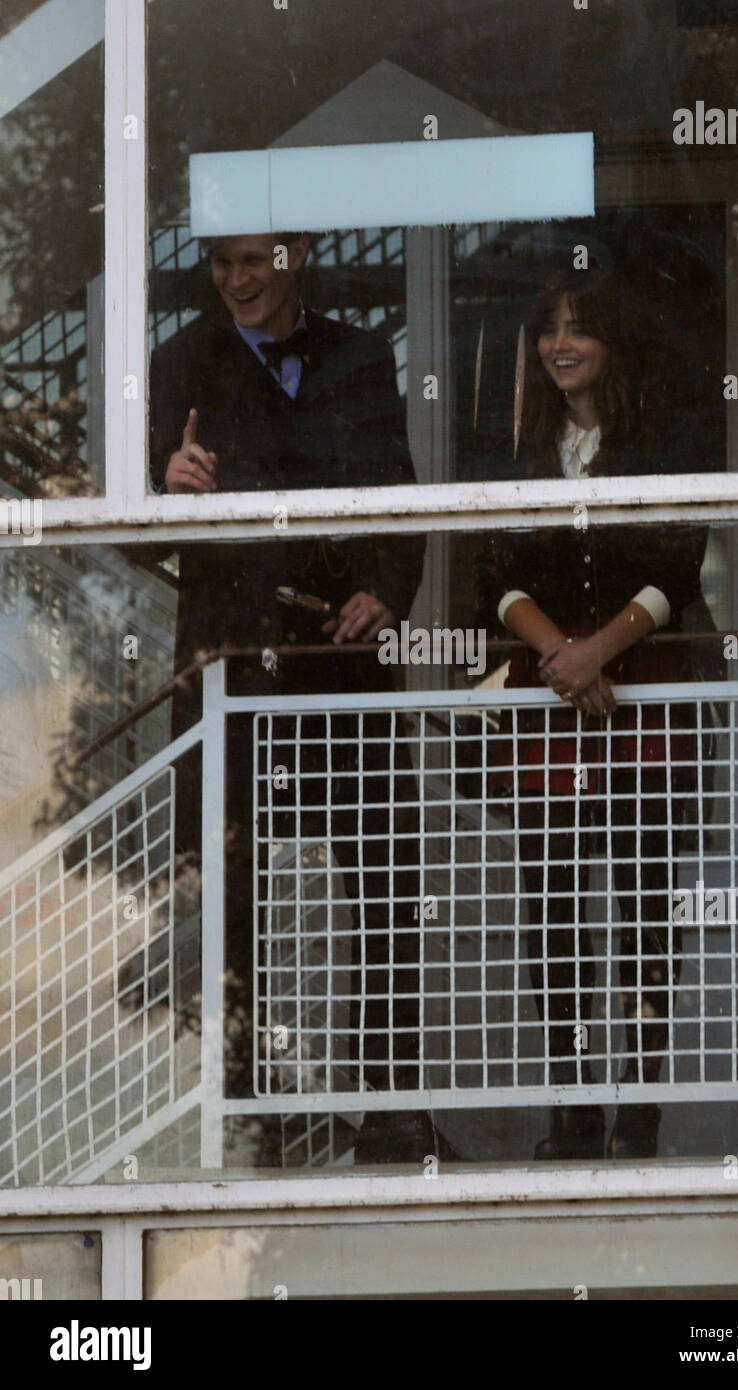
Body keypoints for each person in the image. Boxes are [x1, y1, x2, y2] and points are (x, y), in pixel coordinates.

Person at [149, 230, 445, 1165]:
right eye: (222, 263)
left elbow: (398, 497)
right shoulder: (178, 358)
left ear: (299, 254)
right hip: (234, 655)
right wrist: (166, 486)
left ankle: (391, 1101)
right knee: (233, 880)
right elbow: (139, 516)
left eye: (256, 261)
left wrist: (388, 591)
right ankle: (243, 1104)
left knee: (385, 879)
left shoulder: (359, 353)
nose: (237, 280)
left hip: (340, 654)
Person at [493, 268, 706, 1161]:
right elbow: (491, 576)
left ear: (613, 344)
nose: (561, 345)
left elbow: (676, 561)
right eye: (549, 329)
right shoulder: (519, 448)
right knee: (552, 913)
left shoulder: (660, 438)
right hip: (551, 698)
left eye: (580, 327)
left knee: (647, 910)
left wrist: (599, 653)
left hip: (641, 687)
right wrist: (562, 657)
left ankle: (642, 1112)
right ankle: (576, 1108)